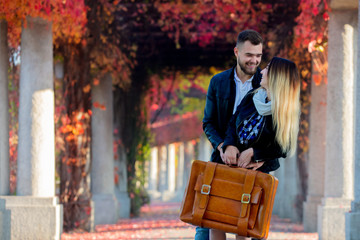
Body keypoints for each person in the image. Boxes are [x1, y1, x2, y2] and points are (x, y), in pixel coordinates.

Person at [210, 57, 301, 240]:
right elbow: (232, 123)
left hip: (257, 174)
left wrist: (255, 153)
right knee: (216, 221)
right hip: (230, 166)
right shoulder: (253, 96)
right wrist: (229, 145)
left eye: (267, 68)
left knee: (244, 227)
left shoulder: (285, 110)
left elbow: (284, 148)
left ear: (276, 76)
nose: (262, 71)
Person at [197, 29, 264, 240]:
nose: (254, 60)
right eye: (249, 55)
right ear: (236, 52)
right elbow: (208, 123)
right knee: (211, 222)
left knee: (247, 228)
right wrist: (223, 146)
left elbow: (276, 130)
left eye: (258, 56)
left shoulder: (266, 82)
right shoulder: (218, 82)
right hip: (221, 160)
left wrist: (259, 154)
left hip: (254, 166)